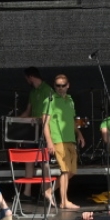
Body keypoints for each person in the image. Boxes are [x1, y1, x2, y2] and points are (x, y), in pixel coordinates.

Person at [42, 74, 85, 209]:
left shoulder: (70, 100)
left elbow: (71, 121)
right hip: (58, 139)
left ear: (68, 86)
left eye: (63, 85)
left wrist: (79, 134)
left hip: (70, 139)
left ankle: (49, 191)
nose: (60, 88)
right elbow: (45, 123)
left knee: (72, 171)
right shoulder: (50, 101)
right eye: (57, 86)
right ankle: (64, 201)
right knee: (65, 171)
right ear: (54, 86)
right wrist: (49, 141)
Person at [18, 67, 54, 197]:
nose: (26, 81)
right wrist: (16, 120)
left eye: (26, 78)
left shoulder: (48, 90)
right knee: (29, 159)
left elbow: (50, 113)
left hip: (44, 129)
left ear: (31, 77)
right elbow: (28, 111)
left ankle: (46, 191)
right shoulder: (32, 92)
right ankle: (27, 192)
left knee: (44, 161)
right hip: (32, 129)